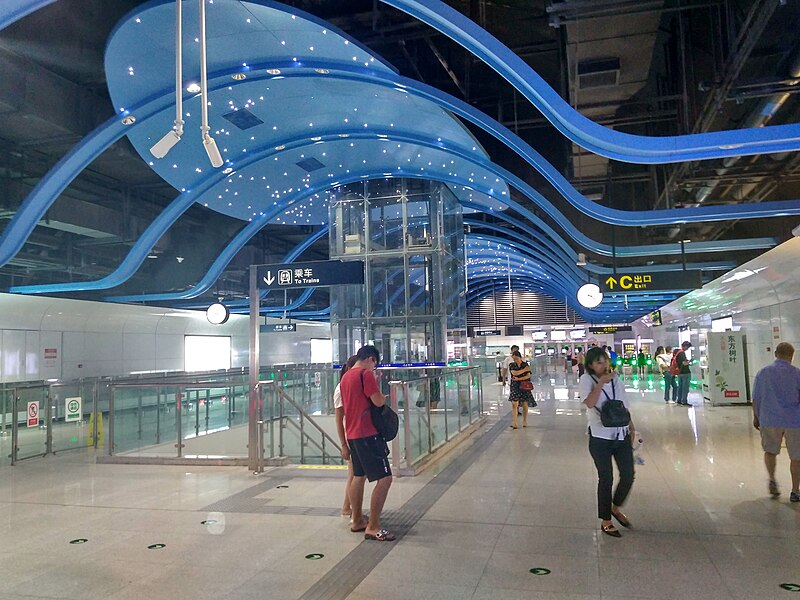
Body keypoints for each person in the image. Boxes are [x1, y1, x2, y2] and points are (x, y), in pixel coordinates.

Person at [340, 345, 395, 541]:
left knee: (358, 476)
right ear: (371, 359)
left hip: (353, 434)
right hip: (368, 433)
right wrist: (382, 396)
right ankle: (373, 526)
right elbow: (378, 402)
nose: (374, 368)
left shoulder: (345, 377)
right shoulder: (365, 374)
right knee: (385, 479)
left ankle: (356, 520)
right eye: (375, 364)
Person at [579, 346, 636, 538]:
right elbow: (588, 402)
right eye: (598, 362)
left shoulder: (616, 379)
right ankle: (606, 520)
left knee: (628, 475)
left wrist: (631, 425)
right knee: (606, 478)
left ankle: (614, 506)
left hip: (620, 434)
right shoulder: (586, 379)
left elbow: (623, 404)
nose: (603, 365)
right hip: (599, 436)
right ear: (590, 365)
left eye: (605, 361)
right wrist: (601, 383)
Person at [751, 342, 800, 502]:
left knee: (770, 451)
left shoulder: (763, 373)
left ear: (775, 354)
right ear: (792, 356)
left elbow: (756, 398)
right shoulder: (797, 374)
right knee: (797, 456)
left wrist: (756, 417)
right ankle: (795, 491)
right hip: (794, 420)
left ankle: (772, 479)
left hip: (769, 418)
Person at [334, 355, 359, 521]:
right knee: (354, 474)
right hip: (351, 434)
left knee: (354, 473)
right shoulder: (341, 388)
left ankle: (347, 507)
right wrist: (343, 444)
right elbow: (338, 418)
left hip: (354, 432)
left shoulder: (351, 385)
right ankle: (348, 509)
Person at [508, 351, 535, 428]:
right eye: (514, 359)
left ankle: (524, 420)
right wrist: (524, 370)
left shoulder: (525, 364)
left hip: (524, 386)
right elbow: (514, 373)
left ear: (520, 357)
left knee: (524, 404)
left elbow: (528, 376)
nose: (515, 360)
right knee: (514, 404)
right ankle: (515, 422)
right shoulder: (512, 365)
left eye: (516, 358)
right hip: (515, 386)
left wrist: (518, 378)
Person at [675, 341, 692, 406]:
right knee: (685, 387)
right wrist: (689, 361)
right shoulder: (682, 353)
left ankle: (679, 400)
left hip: (680, 372)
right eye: (687, 347)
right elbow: (684, 363)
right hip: (685, 373)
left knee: (680, 387)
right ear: (685, 346)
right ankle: (684, 401)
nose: (687, 349)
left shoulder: (677, 352)